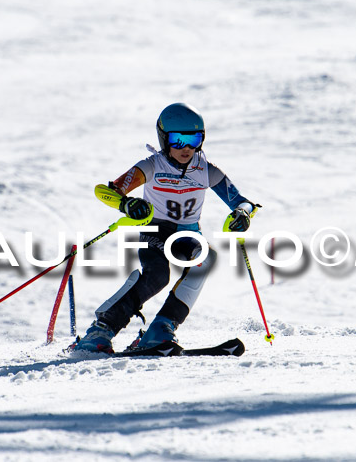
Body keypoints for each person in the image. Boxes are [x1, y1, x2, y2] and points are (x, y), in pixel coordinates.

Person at [74, 103, 258, 353]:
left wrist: (242, 214)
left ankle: (161, 327)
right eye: (177, 140)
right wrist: (127, 204)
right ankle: (102, 328)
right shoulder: (152, 166)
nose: (186, 148)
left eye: (193, 139)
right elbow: (105, 191)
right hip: (154, 231)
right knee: (158, 275)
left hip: (186, 235)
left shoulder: (205, 170)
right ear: (163, 138)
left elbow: (242, 201)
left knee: (206, 258)